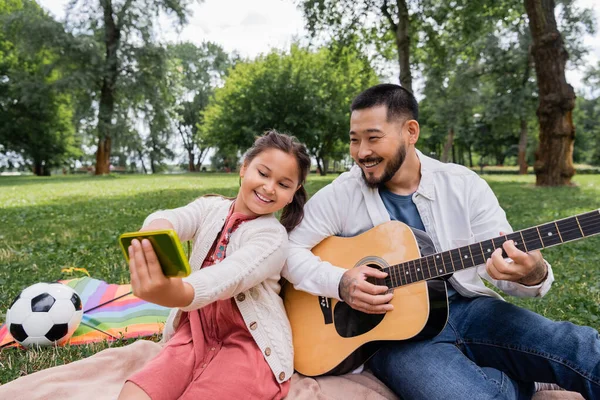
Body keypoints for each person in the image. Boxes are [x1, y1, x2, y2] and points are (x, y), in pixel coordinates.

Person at [284, 84, 600, 400]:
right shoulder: (342, 194)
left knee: (577, 347)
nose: (361, 151)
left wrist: (532, 273)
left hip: (470, 309)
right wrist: (340, 282)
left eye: (373, 138)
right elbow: (288, 251)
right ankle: (519, 381)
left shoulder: (463, 185)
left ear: (410, 132)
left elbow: (503, 268)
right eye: (354, 140)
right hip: (396, 337)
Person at [119, 130, 310, 400]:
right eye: (263, 174)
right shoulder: (210, 208)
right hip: (193, 336)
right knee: (133, 394)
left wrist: (179, 292)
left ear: (293, 193)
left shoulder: (272, 237)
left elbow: (228, 277)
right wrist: (157, 228)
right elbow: (175, 217)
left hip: (250, 346)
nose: (269, 187)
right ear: (244, 168)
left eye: (283, 184)